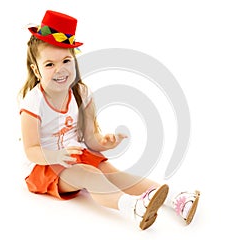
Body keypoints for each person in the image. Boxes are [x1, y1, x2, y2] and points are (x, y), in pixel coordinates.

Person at [19, 10, 200, 230]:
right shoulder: (33, 102)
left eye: (66, 60)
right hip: (45, 165)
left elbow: (90, 139)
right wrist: (57, 155)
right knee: (90, 174)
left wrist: (104, 141)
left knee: (113, 172)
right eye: (49, 64)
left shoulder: (81, 93)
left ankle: (176, 199)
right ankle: (132, 207)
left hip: (77, 154)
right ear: (36, 70)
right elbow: (31, 150)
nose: (60, 70)